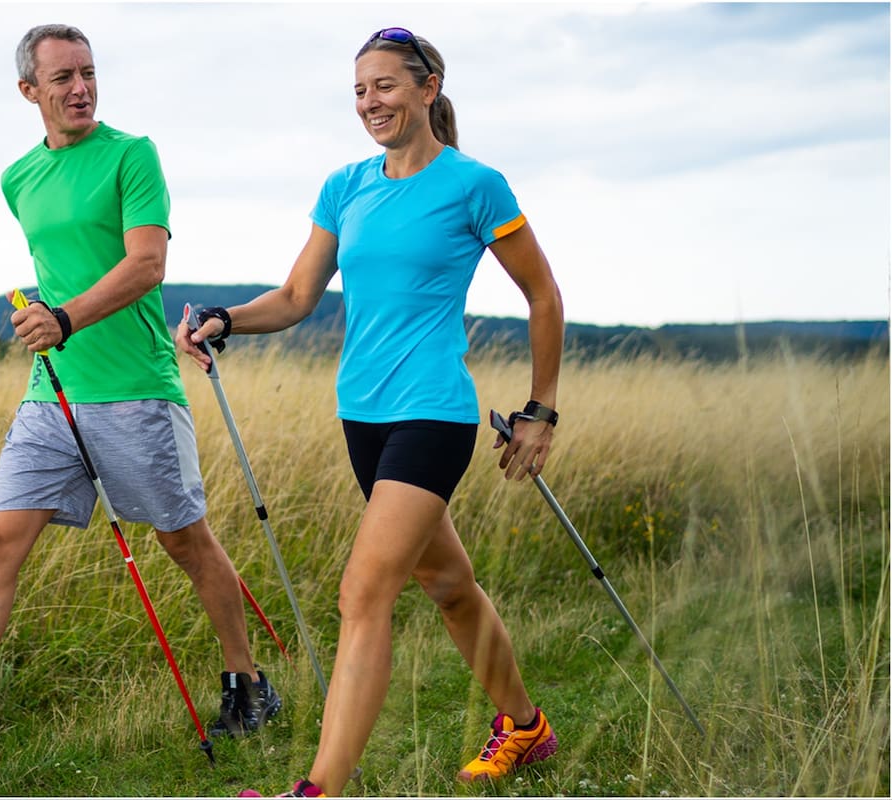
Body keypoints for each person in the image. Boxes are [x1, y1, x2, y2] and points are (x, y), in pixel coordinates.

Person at [0, 23, 280, 788]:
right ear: (29, 92)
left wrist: (68, 317)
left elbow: (147, 265)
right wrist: (44, 317)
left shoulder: (131, 154)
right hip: (53, 394)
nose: (80, 88)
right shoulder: (18, 178)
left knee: (186, 544)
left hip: (138, 391)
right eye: (62, 79)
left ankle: (248, 686)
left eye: (88, 73)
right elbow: (58, 269)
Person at [176, 27, 564, 798]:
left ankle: (317, 789)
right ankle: (525, 728)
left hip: (433, 413)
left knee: (363, 592)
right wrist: (225, 316)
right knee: (448, 586)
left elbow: (543, 295)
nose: (369, 102)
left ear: (428, 87)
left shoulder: (474, 185)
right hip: (362, 417)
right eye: (359, 90)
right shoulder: (345, 186)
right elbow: (294, 299)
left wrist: (541, 411)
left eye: (384, 85)